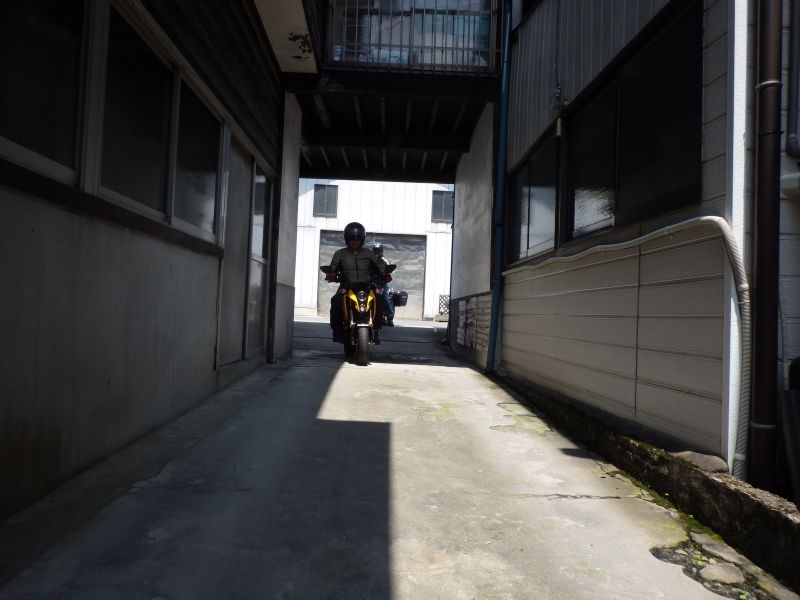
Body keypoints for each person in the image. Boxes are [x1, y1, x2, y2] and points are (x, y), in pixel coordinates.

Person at [327, 222, 391, 343]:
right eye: (352, 239)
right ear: (347, 239)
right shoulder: (340, 254)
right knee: (335, 301)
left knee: (380, 297)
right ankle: (337, 331)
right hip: (347, 286)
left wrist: (385, 273)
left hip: (367, 286)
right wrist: (331, 274)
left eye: (357, 239)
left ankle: (376, 328)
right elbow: (333, 268)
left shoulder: (369, 253)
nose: (354, 241)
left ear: (362, 239)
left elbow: (380, 266)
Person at [372, 242, 395, 326]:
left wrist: (386, 272)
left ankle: (390, 317)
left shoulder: (385, 261)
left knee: (385, 298)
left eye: (378, 250)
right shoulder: (368, 260)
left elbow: (390, 270)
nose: (376, 252)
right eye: (375, 250)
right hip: (370, 283)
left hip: (381, 284)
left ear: (381, 251)